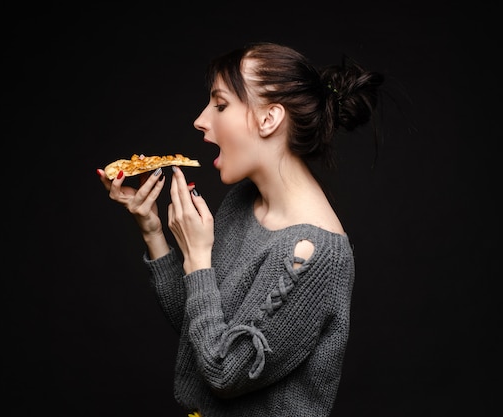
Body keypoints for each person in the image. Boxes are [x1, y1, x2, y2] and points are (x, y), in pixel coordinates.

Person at [96, 41, 384, 417]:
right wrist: (152, 230)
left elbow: (223, 371)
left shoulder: (313, 253)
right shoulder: (243, 200)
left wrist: (198, 258)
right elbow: (198, 329)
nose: (201, 120)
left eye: (220, 105)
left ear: (269, 119)